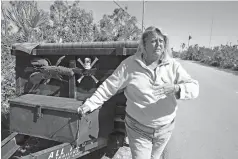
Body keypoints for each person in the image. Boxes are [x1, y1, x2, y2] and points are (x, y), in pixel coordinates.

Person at [77, 26, 199, 159]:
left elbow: (194, 88)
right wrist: (90, 104)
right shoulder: (129, 65)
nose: (159, 44)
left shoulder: (173, 65)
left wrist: (176, 88)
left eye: (161, 41)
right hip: (138, 130)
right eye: (153, 41)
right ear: (144, 45)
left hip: (165, 129)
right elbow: (109, 87)